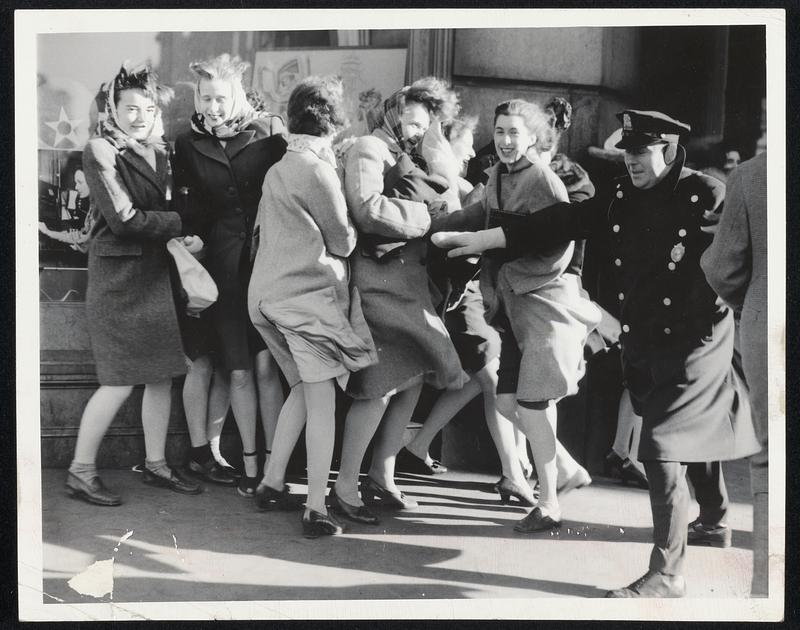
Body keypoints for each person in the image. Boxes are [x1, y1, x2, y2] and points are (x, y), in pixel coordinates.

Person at [433, 109, 760, 597]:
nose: (631, 162)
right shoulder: (625, 194)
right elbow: (564, 220)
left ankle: (668, 573)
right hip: (644, 339)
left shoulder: (707, 194)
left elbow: (732, 266)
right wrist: (484, 237)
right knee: (689, 433)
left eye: (641, 153)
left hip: (695, 341)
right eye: (626, 153)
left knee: (663, 446)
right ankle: (713, 520)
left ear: (669, 150)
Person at [329, 78, 468, 524]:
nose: (414, 130)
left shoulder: (412, 155)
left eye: (423, 125)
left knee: (412, 378)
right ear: (393, 112)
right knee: (379, 387)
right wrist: (427, 216)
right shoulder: (370, 147)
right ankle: (346, 485)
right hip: (379, 282)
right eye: (409, 120)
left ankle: (382, 475)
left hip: (409, 285)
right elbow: (366, 208)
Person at [65, 62, 202, 506]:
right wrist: (181, 222)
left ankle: (157, 464)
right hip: (120, 285)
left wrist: (179, 231)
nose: (139, 116)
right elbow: (123, 220)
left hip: (153, 281)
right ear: (113, 110)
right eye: (130, 108)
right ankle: (80, 471)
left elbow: (149, 215)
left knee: (161, 377)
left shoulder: (159, 152)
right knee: (120, 382)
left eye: (146, 108)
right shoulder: (100, 150)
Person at [249, 76, 377, 538]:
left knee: (303, 390)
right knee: (323, 404)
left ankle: (271, 479)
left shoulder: (282, 164)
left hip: (267, 297)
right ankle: (317, 508)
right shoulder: (317, 169)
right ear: (333, 121)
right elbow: (342, 239)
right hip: (306, 301)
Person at [400, 116, 533, 503]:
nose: (474, 152)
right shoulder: (454, 189)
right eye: (467, 143)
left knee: (485, 380)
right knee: (496, 383)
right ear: (445, 146)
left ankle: (418, 446)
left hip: (467, 300)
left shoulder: (467, 187)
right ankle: (519, 469)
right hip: (460, 302)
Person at [172, 54, 288, 496]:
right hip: (222, 268)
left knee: (266, 367)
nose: (213, 107)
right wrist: (193, 237)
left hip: (269, 260)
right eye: (206, 98)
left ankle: (277, 464)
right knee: (238, 370)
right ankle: (252, 468)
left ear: (237, 94)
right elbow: (191, 210)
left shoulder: (270, 130)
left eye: (221, 98)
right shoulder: (186, 142)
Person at [700, 152, 768, 596]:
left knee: (771, 461)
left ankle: (768, 588)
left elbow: (723, 268)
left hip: (770, 325)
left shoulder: (753, 173)